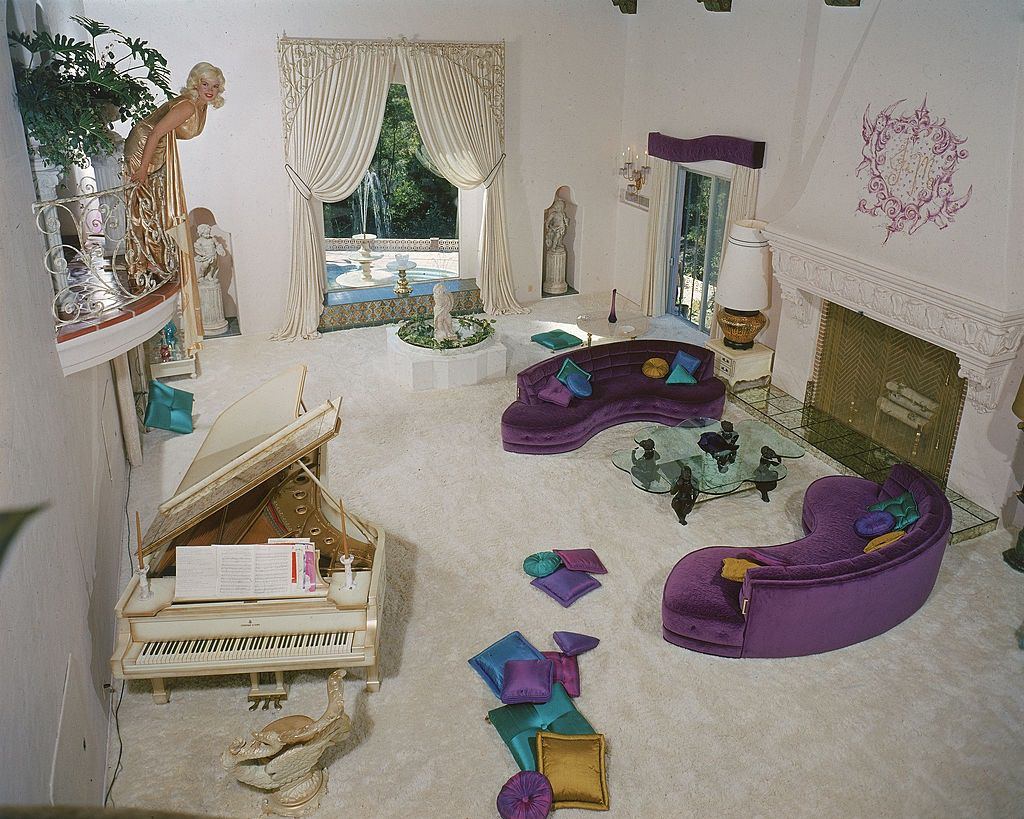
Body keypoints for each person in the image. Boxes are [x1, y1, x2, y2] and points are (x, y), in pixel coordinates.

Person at [124, 61, 226, 357]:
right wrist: (143, 169)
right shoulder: (188, 107)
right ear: (196, 83)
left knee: (153, 203)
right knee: (142, 204)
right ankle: (140, 265)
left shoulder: (202, 106)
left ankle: (150, 260)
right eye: (205, 84)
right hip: (145, 146)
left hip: (156, 148)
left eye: (215, 86)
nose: (210, 90)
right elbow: (155, 133)